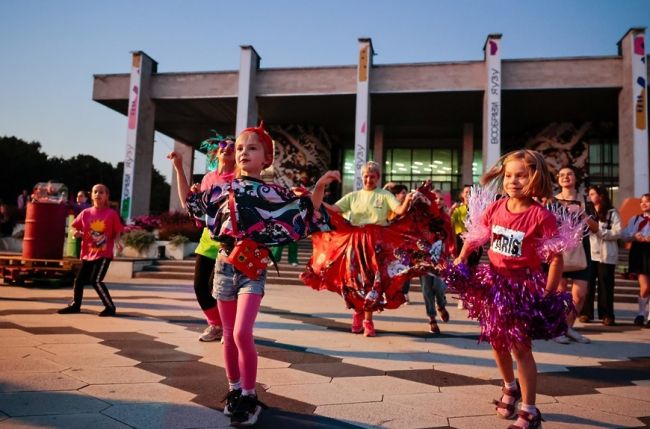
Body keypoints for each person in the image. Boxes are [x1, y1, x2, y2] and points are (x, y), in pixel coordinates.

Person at [185, 122, 340, 426]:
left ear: (266, 158)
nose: (243, 152)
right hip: (224, 264)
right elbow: (193, 206)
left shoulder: (272, 191)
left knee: (242, 332)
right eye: (240, 147)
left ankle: (249, 393)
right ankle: (234, 391)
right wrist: (181, 173)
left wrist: (319, 186)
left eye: (252, 147)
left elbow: (304, 209)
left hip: (252, 267)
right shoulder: (220, 187)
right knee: (228, 335)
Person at [447, 149, 579, 429]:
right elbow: (476, 236)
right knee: (496, 340)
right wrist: (460, 258)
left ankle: (530, 410)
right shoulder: (496, 207)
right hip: (494, 284)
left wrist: (550, 290)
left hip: (522, 288)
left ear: (535, 177)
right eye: (508, 175)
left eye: (521, 175)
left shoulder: (540, 216)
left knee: (520, 348)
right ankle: (509, 387)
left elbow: (555, 257)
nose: (513, 181)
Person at [327, 161, 413, 336]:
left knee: (372, 282)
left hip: (377, 244)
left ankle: (368, 321)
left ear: (378, 178)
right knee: (355, 281)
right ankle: (358, 314)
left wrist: (408, 201)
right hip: (356, 242)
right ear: (361, 177)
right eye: (366, 176)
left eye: (372, 176)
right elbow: (334, 209)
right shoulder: (353, 196)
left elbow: (399, 210)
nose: (369, 179)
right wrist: (315, 199)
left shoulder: (384, 195)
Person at [168, 134, 236, 342]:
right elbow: (187, 202)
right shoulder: (208, 178)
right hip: (208, 240)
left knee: (220, 287)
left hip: (231, 242)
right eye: (223, 145)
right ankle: (216, 325)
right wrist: (179, 167)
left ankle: (229, 328)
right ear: (217, 151)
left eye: (233, 146)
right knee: (200, 286)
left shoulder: (240, 177)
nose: (227, 148)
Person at [57, 184, 123, 316]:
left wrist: (117, 241)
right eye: (95, 192)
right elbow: (73, 227)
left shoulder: (112, 214)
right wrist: (75, 232)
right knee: (79, 280)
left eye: (101, 192)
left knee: (96, 280)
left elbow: (118, 231)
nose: (98, 194)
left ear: (106, 196)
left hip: (104, 254)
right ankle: (75, 305)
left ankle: (110, 307)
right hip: (88, 254)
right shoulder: (85, 213)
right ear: (91, 195)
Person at [551, 167, 598, 344]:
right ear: (558, 179)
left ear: (575, 178)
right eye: (561, 175)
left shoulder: (585, 200)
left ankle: (568, 327)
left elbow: (595, 228)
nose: (565, 177)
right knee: (560, 294)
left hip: (581, 251)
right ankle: (558, 329)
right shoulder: (552, 201)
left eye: (569, 174)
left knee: (580, 296)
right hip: (560, 252)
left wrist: (582, 213)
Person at [584, 185, 621, 326]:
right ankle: (586, 313)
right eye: (589, 194)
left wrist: (600, 232)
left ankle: (607, 315)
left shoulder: (612, 213)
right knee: (588, 284)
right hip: (590, 253)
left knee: (606, 285)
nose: (590, 197)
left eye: (592, 193)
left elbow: (618, 233)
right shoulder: (587, 213)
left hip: (606, 255)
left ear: (601, 195)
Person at [420, 188, 452, 334]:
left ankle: (441, 305)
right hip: (425, 258)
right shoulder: (422, 218)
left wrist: (453, 253)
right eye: (435, 199)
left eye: (440, 199)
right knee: (427, 289)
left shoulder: (446, 218)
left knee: (439, 287)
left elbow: (451, 238)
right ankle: (431, 318)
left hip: (442, 259)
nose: (437, 201)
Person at [450, 184, 483, 310]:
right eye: (466, 192)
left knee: (473, 270)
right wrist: (453, 245)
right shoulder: (458, 210)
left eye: (471, 192)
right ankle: (463, 297)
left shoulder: (480, 210)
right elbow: (453, 229)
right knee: (463, 269)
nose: (468, 194)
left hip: (475, 242)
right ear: (462, 195)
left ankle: (471, 297)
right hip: (461, 241)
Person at [621, 193, 650, 328]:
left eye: (647, 201)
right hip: (640, 252)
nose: (644, 204)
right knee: (645, 287)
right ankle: (641, 313)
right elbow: (624, 235)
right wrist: (634, 235)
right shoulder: (635, 219)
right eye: (642, 202)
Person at [384, 182, 411, 302]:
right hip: (391, 243)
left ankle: (404, 292)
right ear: (395, 195)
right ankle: (388, 290)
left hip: (405, 242)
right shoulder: (389, 207)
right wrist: (386, 186)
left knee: (406, 266)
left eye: (406, 193)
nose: (405, 195)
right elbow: (379, 195)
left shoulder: (409, 208)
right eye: (403, 193)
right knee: (389, 267)